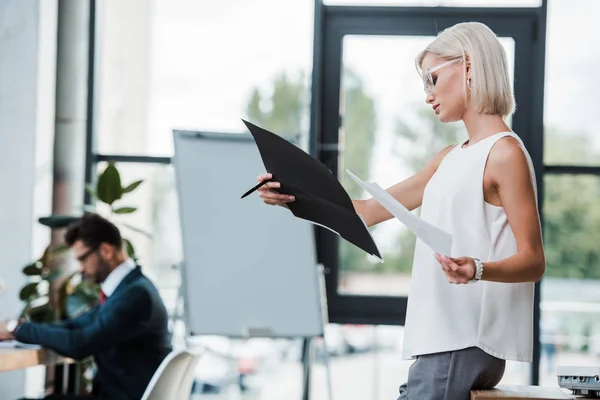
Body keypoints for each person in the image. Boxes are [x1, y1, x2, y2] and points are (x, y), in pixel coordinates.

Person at [255, 21, 545, 400]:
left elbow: (534, 261)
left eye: (432, 79)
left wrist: (477, 268)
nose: (428, 95)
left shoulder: (504, 153)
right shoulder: (449, 158)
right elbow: (366, 211)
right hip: (439, 342)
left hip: (464, 341)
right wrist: (291, 194)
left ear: (470, 66)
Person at [0, 213, 172, 400]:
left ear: (106, 251)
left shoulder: (135, 295)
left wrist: (16, 329)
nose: (81, 269)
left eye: (82, 259)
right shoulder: (128, 289)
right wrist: (19, 329)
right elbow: (75, 325)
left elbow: (79, 344)